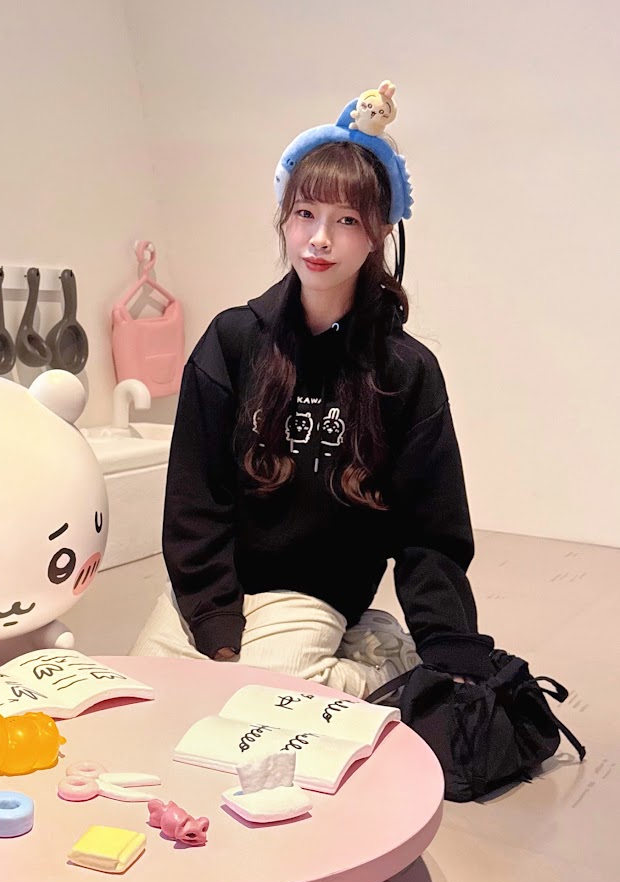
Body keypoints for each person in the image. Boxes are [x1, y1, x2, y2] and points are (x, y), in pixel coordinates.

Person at [131, 81, 494, 698]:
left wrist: (448, 646)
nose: (319, 239)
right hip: (219, 583)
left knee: (257, 700)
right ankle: (262, 659)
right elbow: (195, 495)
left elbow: (431, 530)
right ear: (285, 219)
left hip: (313, 592)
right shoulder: (232, 340)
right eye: (306, 214)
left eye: (346, 220)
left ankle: (383, 661)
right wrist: (216, 621)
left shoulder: (406, 370)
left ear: (379, 232)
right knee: (147, 693)